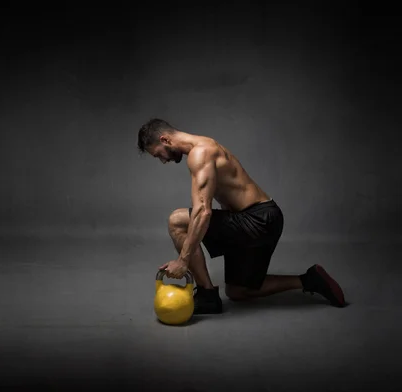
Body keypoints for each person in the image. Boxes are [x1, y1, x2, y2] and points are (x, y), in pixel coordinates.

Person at [137, 118, 346, 314]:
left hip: (257, 220)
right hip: (263, 218)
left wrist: (183, 260)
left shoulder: (200, 153)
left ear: (165, 140)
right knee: (238, 292)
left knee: (177, 219)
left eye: (158, 154)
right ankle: (309, 280)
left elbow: (203, 210)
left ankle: (207, 295)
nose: (162, 161)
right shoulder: (204, 146)